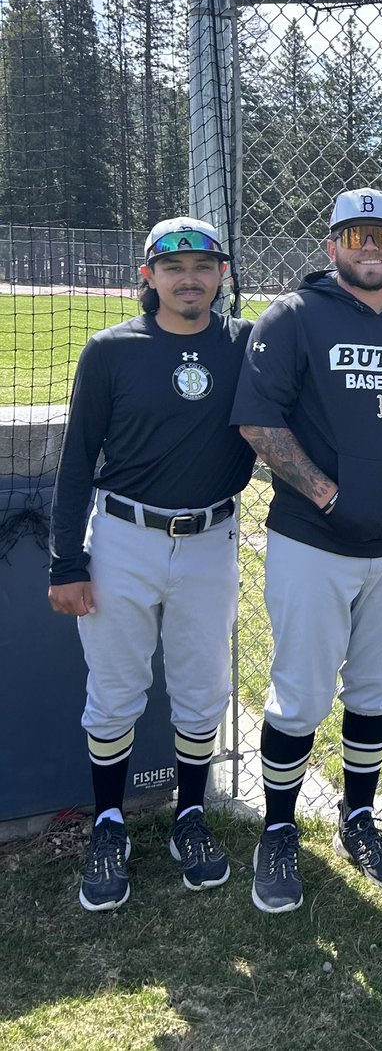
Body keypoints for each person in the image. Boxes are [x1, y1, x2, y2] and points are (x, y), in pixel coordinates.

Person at [231, 187, 382, 913]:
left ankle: (358, 818)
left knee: (372, 692)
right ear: (331, 247)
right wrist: (327, 493)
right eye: (355, 235)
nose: (370, 246)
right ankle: (277, 830)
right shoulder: (295, 317)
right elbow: (258, 420)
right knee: (300, 693)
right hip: (313, 544)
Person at [49, 216, 255, 911]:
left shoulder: (246, 346)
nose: (189, 277)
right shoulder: (110, 351)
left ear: (222, 274)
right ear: (148, 276)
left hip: (210, 538)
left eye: (203, 264)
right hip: (123, 539)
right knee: (115, 691)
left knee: (202, 690)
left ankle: (189, 817)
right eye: (173, 267)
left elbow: (313, 326)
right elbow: (76, 463)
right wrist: (64, 561)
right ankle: (109, 823)